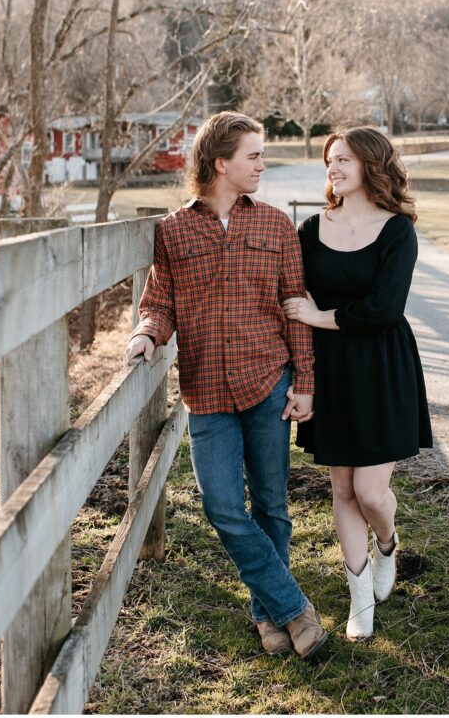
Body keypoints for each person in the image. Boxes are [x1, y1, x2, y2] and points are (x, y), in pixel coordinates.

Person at [124, 111, 328, 660]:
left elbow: (297, 312)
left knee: (271, 504)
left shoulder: (275, 226)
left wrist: (303, 382)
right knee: (221, 506)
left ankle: (268, 618)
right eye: (253, 156)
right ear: (221, 163)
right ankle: (293, 608)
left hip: (267, 380)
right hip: (207, 389)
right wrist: (147, 333)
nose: (262, 164)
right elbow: (159, 301)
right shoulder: (171, 231)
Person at [283, 126, 432, 641]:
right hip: (330, 370)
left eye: (343, 159)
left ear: (371, 164)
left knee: (371, 491)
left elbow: (384, 308)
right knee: (342, 488)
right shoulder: (309, 229)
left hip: (382, 367)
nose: (334, 169)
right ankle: (359, 597)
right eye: (330, 161)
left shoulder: (398, 231)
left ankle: (387, 544)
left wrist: (318, 316)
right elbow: (287, 294)